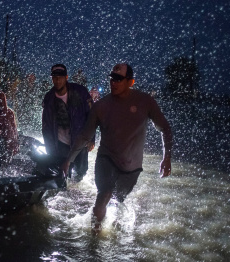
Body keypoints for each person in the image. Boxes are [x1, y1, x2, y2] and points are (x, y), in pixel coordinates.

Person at [61, 63, 173, 233]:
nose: (113, 82)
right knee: (104, 194)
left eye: (119, 79)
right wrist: (69, 160)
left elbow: (165, 128)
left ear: (131, 82)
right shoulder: (101, 106)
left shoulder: (145, 102)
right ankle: (94, 240)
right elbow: (84, 136)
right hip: (106, 159)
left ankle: (114, 228)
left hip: (132, 167)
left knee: (117, 199)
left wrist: (166, 158)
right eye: (112, 78)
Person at [42, 64, 94, 182]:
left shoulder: (80, 92)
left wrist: (91, 139)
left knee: (81, 172)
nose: (58, 80)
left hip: (80, 141)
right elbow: (46, 127)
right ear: (52, 79)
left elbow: (91, 116)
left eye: (60, 77)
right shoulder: (49, 99)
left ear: (66, 77)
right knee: (63, 173)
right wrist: (50, 150)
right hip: (60, 143)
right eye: (55, 77)